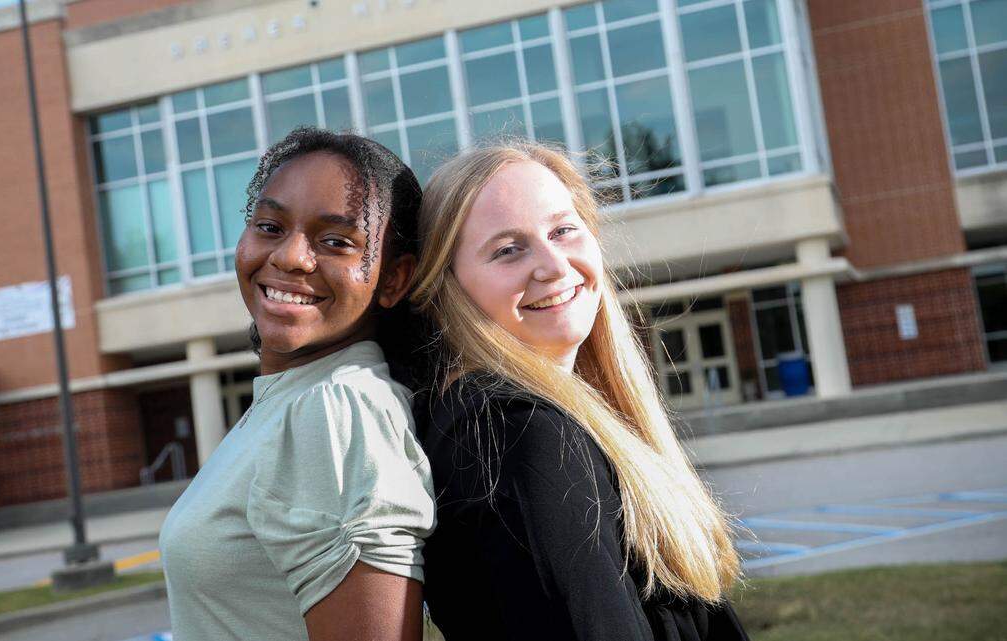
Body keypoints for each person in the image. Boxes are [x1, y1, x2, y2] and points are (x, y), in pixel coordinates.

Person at [409, 141, 748, 640]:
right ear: (448, 286)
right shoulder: (516, 434)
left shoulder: (545, 418)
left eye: (563, 230)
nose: (553, 265)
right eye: (508, 249)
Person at [159, 128, 436, 641]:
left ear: (393, 279)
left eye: (336, 241)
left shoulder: (336, 407)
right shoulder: (288, 398)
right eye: (269, 226)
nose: (290, 257)